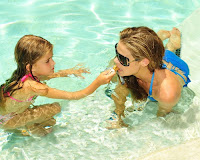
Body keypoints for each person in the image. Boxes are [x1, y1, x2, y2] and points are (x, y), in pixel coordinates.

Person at [0, 35, 116, 136]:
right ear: (30, 67)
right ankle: (31, 130)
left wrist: (68, 72)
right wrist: (98, 81)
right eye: (47, 61)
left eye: (52, 58)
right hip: (8, 120)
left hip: (7, 112)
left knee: (48, 119)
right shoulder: (36, 87)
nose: (53, 63)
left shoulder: (23, 76)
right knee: (55, 110)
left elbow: (46, 76)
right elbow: (74, 95)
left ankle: (28, 125)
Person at [108, 27, 190, 128]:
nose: (116, 60)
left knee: (167, 53)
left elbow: (161, 117)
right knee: (111, 67)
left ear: (143, 61)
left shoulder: (167, 93)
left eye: (122, 58)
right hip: (147, 64)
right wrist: (117, 117)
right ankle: (157, 41)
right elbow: (119, 95)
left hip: (173, 65)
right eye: (117, 52)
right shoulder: (129, 68)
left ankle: (172, 46)